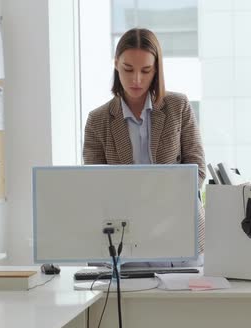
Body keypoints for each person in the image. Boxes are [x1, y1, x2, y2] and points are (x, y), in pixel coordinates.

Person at [83, 28, 205, 266]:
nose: (136, 79)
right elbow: (96, 184)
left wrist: (160, 201)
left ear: (156, 69)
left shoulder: (178, 106)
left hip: (179, 229)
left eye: (145, 70)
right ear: (116, 64)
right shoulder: (97, 120)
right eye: (128, 69)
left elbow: (197, 170)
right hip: (126, 236)